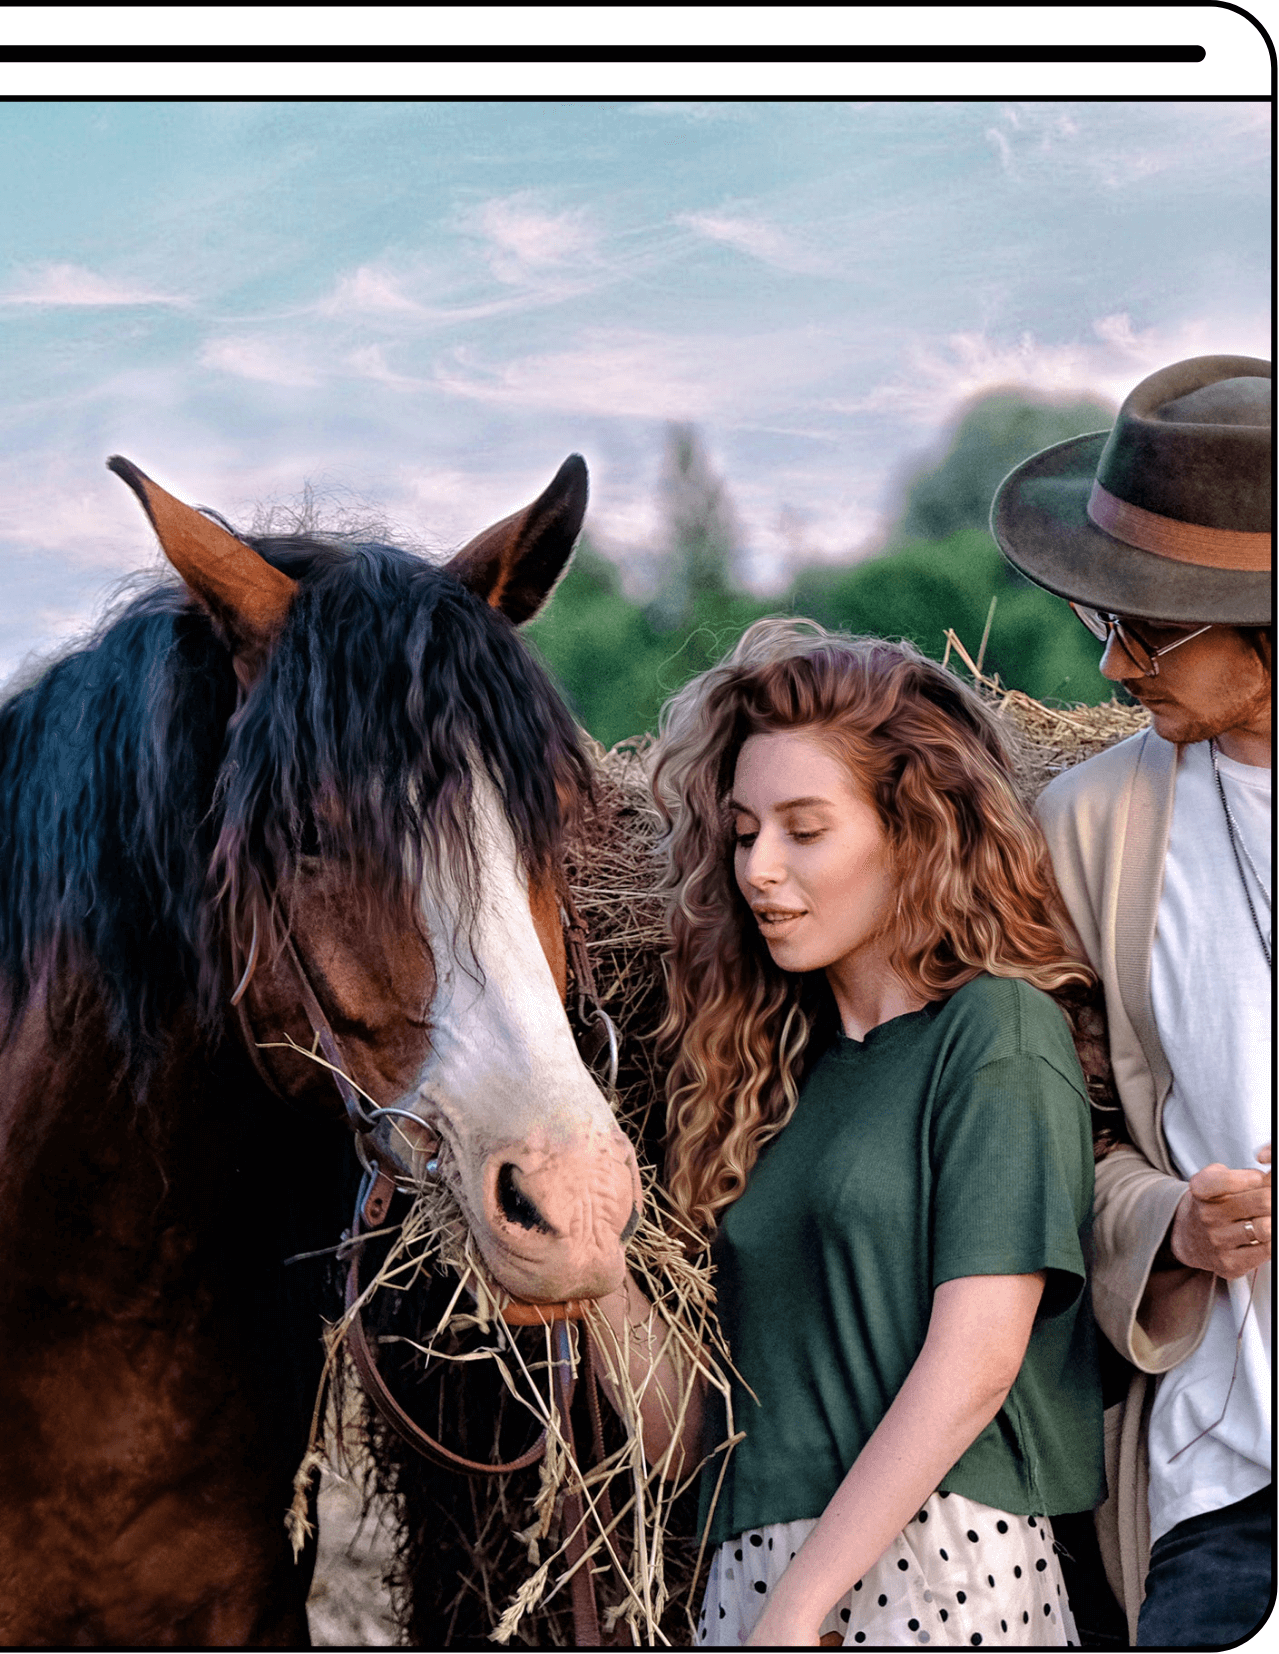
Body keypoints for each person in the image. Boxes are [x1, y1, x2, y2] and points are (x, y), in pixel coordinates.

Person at [592, 618, 1105, 1647]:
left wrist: (798, 1604)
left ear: (911, 828)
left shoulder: (996, 1033)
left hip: (943, 1568)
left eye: (803, 828)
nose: (758, 870)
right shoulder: (768, 1087)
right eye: (742, 834)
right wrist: (594, 1269)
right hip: (754, 1579)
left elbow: (974, 1368)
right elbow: (704, 1441)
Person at [990, 354, 1272, 1647]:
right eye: (1098, 619)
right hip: (1227, 1476)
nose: (1108, 665)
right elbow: (1062, 1133)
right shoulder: (1089, 824)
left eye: (1144, 625)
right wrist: (1172, 1223)